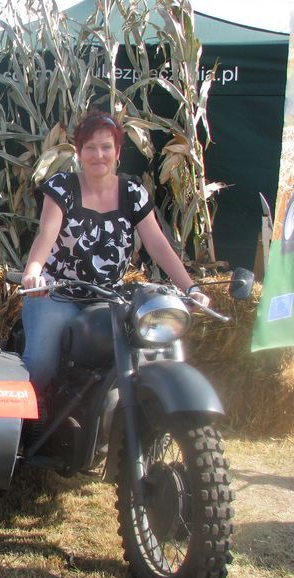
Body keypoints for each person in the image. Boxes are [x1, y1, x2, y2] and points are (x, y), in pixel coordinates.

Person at [20, 111, 211, 394]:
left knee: (142, 355)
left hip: (110, 300)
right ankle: (30, 429)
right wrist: (33, 273)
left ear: (118, 151)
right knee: (40, 365)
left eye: (106, 146)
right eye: (90, 147)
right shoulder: (63, 187)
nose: (99, 154)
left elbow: (157, 244)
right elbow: (46, 234)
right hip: (59, 293)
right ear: (78, 152)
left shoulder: (132, 192)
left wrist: (190, 287)